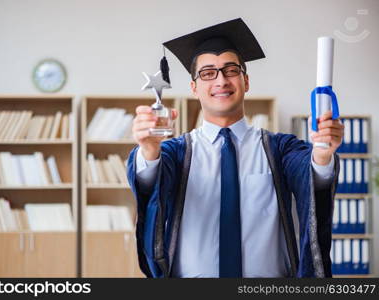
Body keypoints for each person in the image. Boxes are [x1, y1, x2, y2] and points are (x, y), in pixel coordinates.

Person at [127, 18, 344, 278]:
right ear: (194, 88)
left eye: (231, 70)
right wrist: (150, 150)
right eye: (208, 73)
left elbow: (311, 173)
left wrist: (322, 152)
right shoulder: (176, 153)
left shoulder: (279, 149)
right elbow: (151, 186)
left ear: (246, 81)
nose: (221, 80)